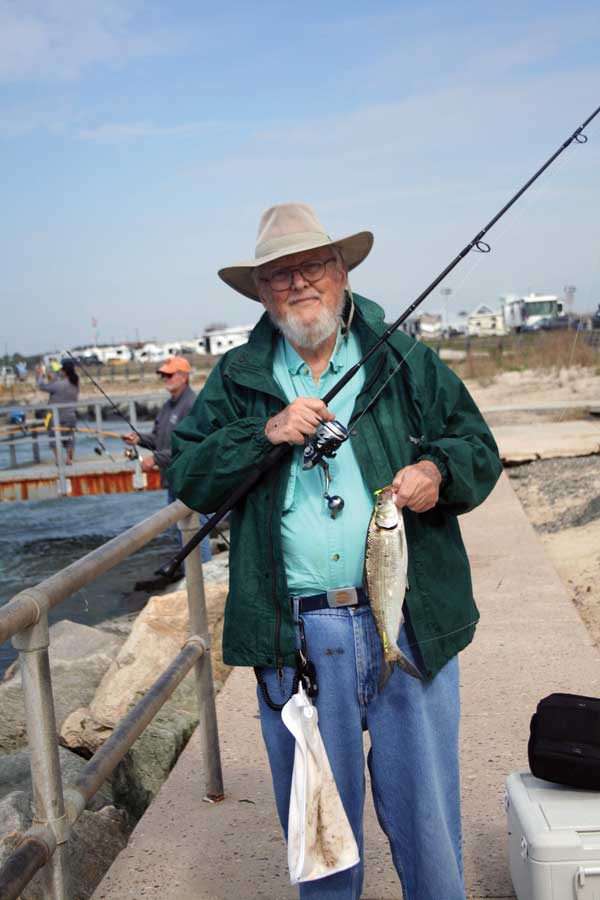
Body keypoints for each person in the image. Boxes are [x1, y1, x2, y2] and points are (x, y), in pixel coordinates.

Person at [168, 203, 503, 899]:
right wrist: (265, 432)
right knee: (320, 840)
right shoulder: (235, 380)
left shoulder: (406, 358)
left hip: (411, 623)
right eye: (279, 274)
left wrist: (437, 474)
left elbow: (478, 447)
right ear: (260, 292)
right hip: (296, 639)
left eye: (313, 265)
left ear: (342, 272)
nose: (298, 284)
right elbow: (189, 475)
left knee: (431, 828)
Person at [123, 356, 212, 564]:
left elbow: (191, 446)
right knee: (182, 531)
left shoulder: (192, 404)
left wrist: (155, 459)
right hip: (173, 480)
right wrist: (139, 439)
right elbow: (158, 439)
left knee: (196, 534)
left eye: (169, 375)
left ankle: (203, 580)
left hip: (190, 481)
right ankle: (191, 578)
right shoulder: (167, 407)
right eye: (163, 375)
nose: (165, 379)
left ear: (183, 377)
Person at [37, 359, 80, 465]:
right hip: (71, 416)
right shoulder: (75, 383)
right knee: (70, 439)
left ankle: (58, 460)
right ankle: (69, 459)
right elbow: (59, 385)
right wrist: (53, 380)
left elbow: (42, 386)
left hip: (56, 417)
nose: (60, 371)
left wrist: (40, 375)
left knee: (54, 438)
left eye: (61, 370)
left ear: (64, 371)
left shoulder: (59, 384)